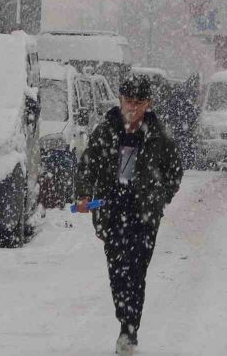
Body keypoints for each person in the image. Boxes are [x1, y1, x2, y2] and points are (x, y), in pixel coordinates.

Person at [74, 75, 184, 355]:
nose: (132, 108)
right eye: (128, 102)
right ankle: (124, 316)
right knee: (117, 273)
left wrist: (160, 198)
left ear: (148, 104)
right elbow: (87, 165)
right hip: (111, 211)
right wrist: (85, 194)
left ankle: (129, 330)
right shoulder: (106, 131)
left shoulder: (158, 134)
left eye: (138, 103)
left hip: (144, 215)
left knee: (135, 272)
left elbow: (174, 171)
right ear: (120, 100)